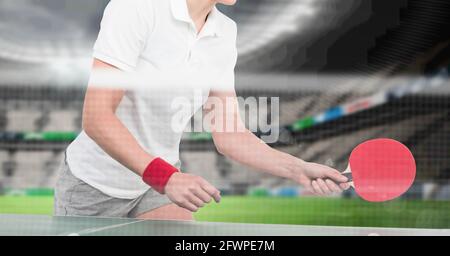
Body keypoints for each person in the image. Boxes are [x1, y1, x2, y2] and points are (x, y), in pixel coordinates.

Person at [54, 0, 350, 220]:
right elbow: (97, 116)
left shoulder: (225, 32)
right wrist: (166, 178)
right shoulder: (136, 8)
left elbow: (230, 134)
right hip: (94, 186)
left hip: (155, 187)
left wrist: (299, 169)